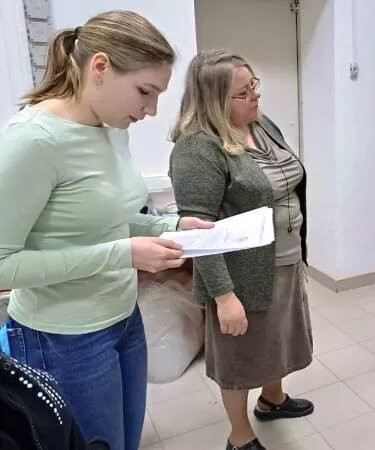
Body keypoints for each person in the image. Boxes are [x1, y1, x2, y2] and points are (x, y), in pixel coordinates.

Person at [0, 11, 212, 450]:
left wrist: (172, 224)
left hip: (123, 317)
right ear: (100, 67)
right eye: (145, 92)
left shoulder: (112, 129)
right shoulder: (33, 140)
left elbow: (107, 218)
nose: (151, 110)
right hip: (62, 336)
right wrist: (123, 254)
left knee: (124, 441)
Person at [169, 50, 313, 450]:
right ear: (214, 99)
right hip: (240, 273)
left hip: (285, 258)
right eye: (243, 92)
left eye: (254, 85)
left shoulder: (259, 123)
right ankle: (239, 434)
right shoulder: (197, 148)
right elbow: (199, 233)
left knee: (278, 337)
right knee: (240, 353)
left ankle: (273, 399)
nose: (255, 96)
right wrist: (223, 296)